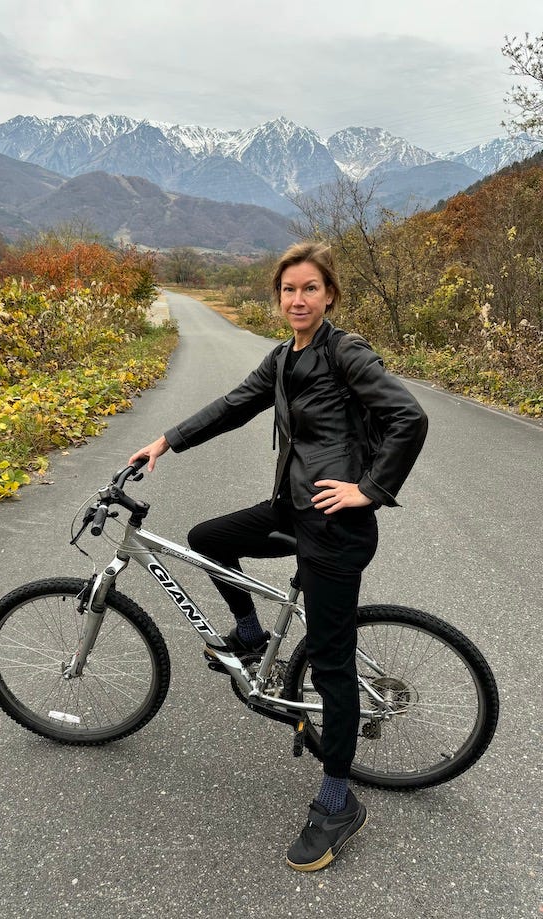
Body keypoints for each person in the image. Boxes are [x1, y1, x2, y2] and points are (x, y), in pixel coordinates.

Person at [129, 240, 428, 872]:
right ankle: (246, 632)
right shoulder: (284, 359)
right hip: (294, 510)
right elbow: (234, 405)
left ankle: (339, 803)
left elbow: (408, 417)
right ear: (278, 297)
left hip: (335, 527)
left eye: (310, 289)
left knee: (330, 665)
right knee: (210, 539)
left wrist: (368, 490)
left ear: (330, 296)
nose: (298, 299)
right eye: (288, 289)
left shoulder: (345, 351)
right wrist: (164, 441)